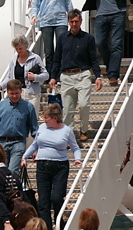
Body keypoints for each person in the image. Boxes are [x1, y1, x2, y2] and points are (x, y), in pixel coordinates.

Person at [21, 103, 82, 230]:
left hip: (60, 166)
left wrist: (78, 159)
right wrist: (24, 156)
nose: (45, 120)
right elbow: (35, 145)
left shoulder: (66, 130)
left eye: (47, 117)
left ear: (55, 117)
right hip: (42, 165)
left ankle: (60, 224)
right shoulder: (42, 128)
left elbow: (75, 147)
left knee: (57, 198)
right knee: (43, 201)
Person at [49, 8, 103, 142]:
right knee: (68, 110)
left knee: (84, 104)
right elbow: (57, 58)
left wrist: (98, 76)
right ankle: (69, 136)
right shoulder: (62, 38)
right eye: (72, 21)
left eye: (76, 21)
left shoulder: (88, 38)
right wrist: (53, 76)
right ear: (68, 22)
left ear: (81, 21)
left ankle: (84, 129)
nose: (74, 24)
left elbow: (94, 59)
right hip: (66, 76)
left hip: (83, 74)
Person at [0, 79, 39, 175]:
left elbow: (34, 129)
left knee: (13, 171)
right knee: (1, 172)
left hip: (18, 142)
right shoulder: (0, 106)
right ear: (7, 92)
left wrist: (37, 148)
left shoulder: (29, 107)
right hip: (2, 142)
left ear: (21, 91)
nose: (14, 96)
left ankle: (12, 189)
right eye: (11, 93)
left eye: (17, 93)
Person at [0, 35, 49, 112]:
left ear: (26, 47)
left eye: (20, 48)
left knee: (31, 119)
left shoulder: (35, 58)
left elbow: (46, 75)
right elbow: (10, 77)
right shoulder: (13, 59)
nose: (18, 51)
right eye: (16, 49)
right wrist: (0, 86)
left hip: (32, 95)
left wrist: (35, 77)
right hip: (17, 94)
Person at [83, 0, 126, 86]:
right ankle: (110, 66)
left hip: (118, 12)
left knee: (116, 45)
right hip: (101, 14)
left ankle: (113, 75)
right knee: (99, 43)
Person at [30, 0, 74, 71]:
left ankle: (60, 73)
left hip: (61, 20)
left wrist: (72, 15)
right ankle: (50, 73)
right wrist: (34, 15)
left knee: (62, 48)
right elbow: (35, 3)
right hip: (46, 20)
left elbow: (68, 2)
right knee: (48, 51)